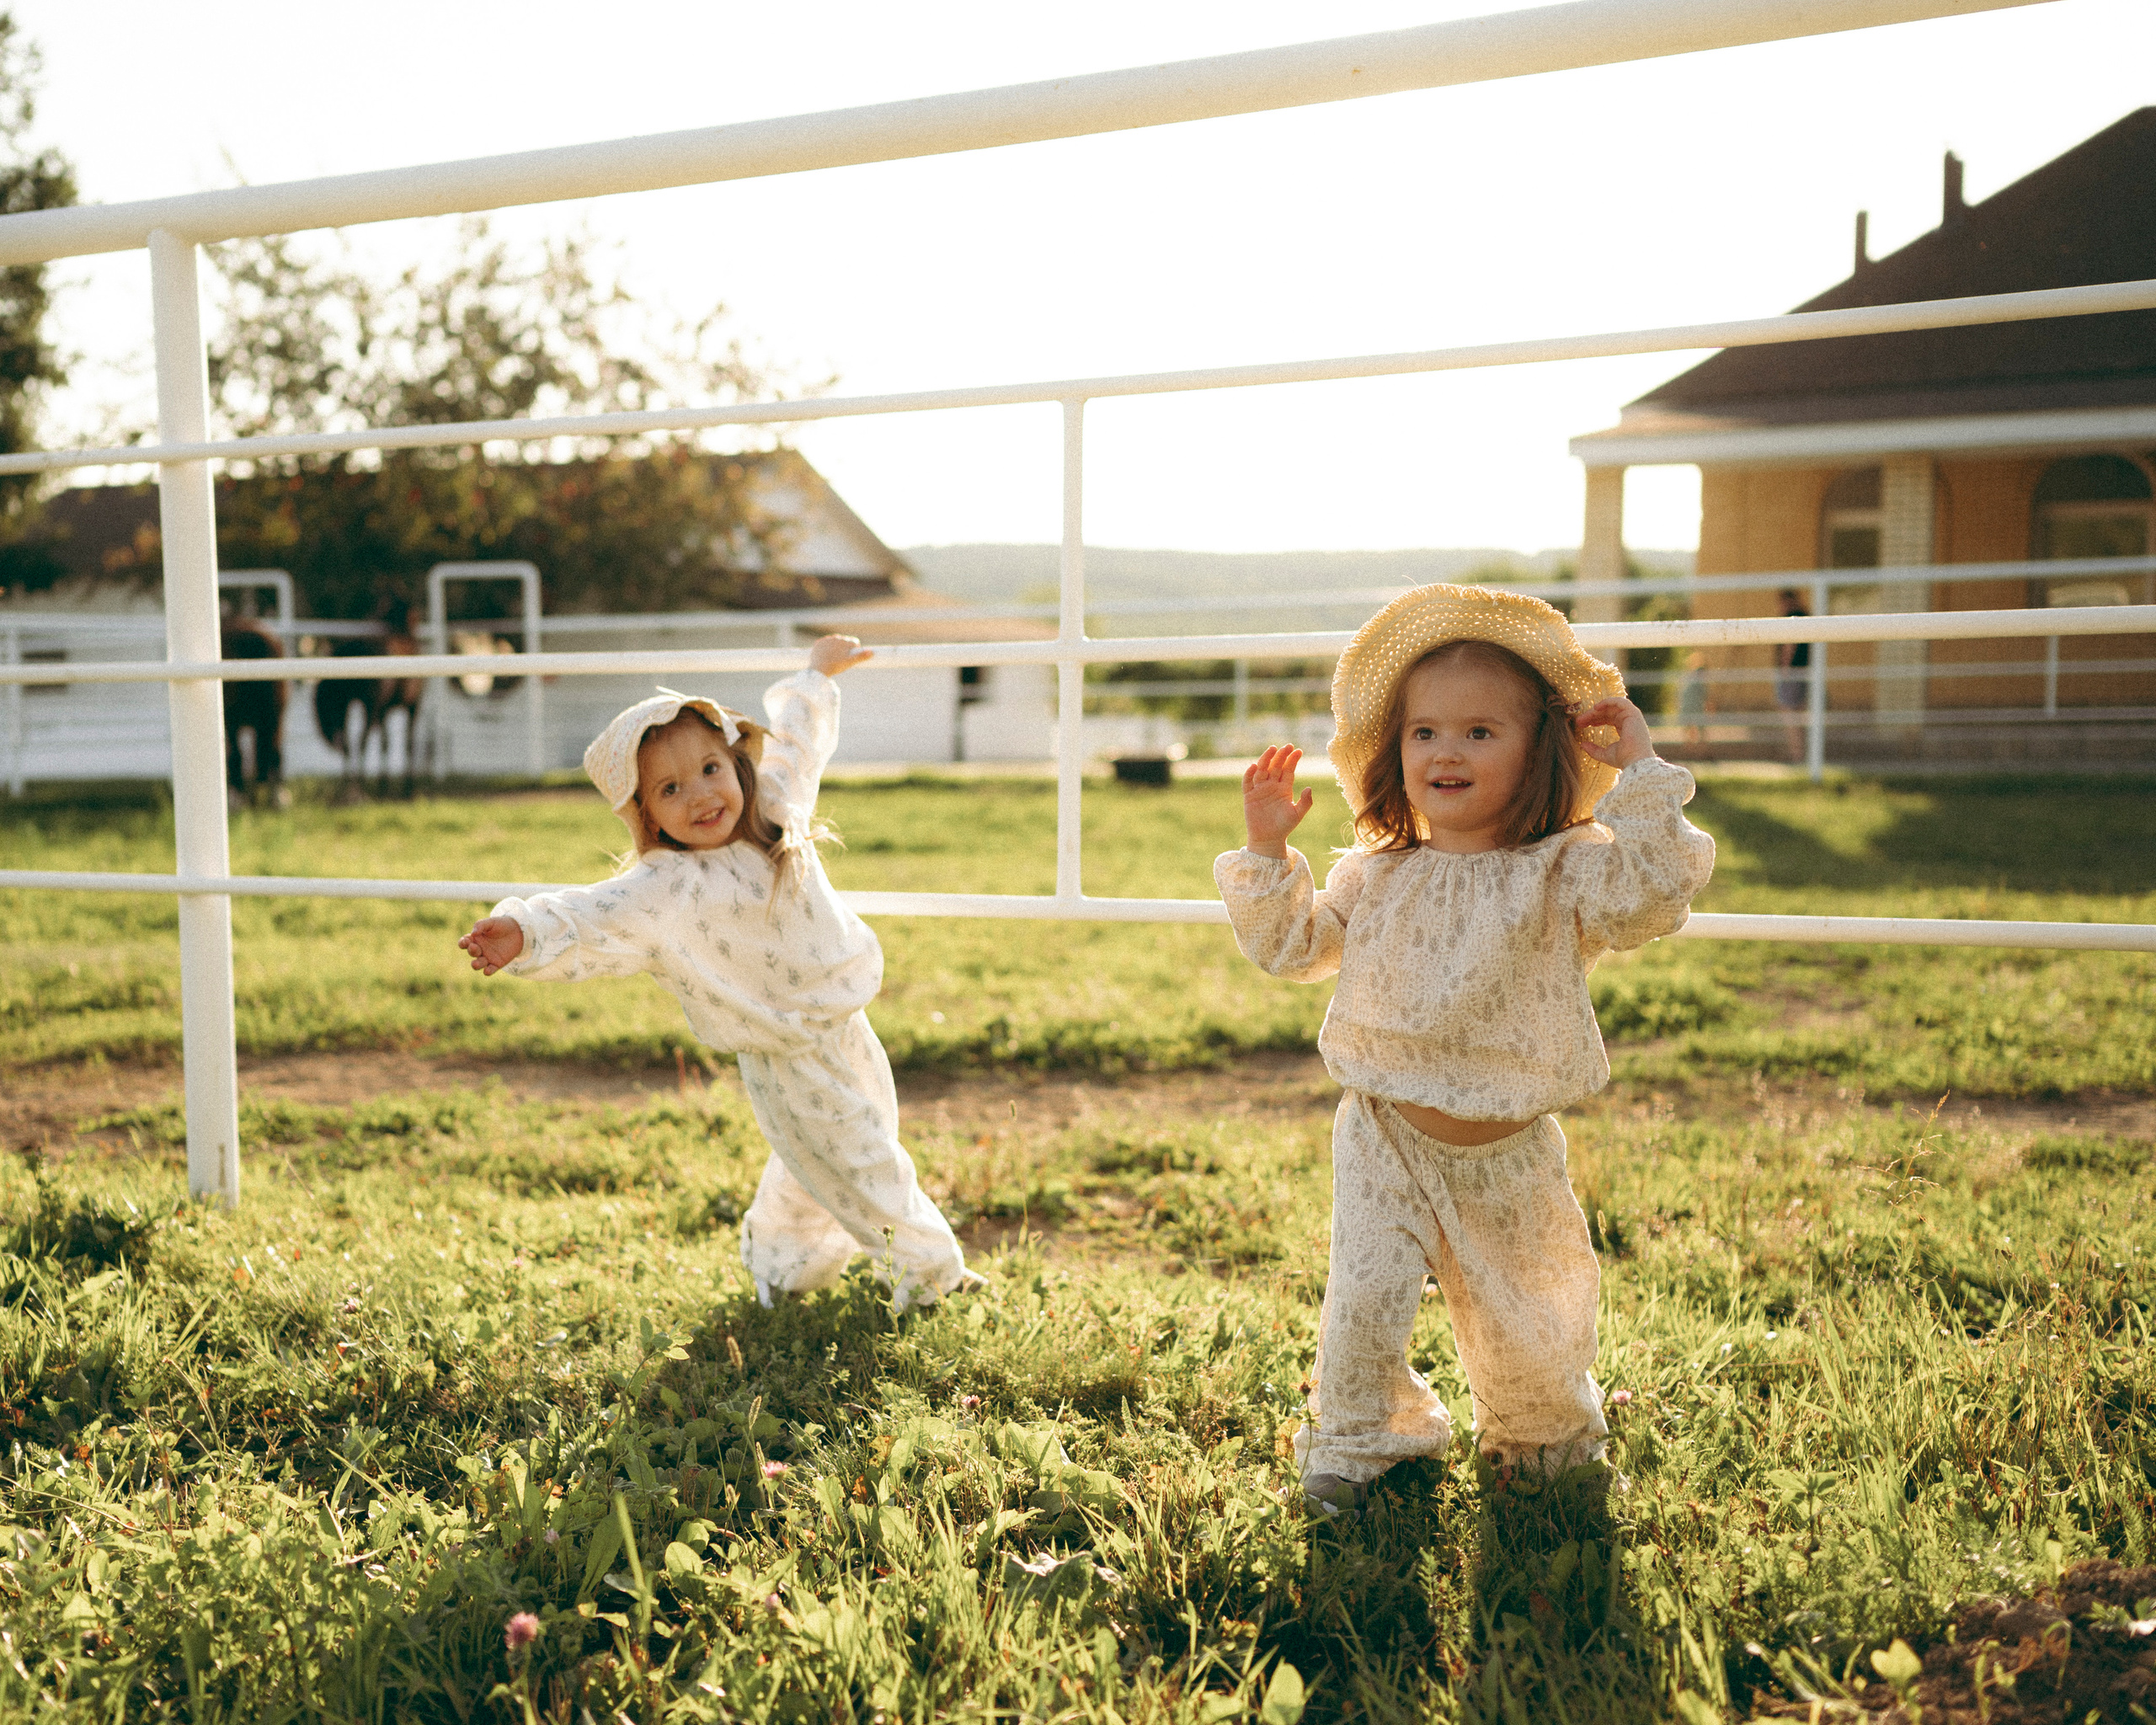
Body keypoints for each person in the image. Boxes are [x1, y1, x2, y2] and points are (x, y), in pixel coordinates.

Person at [1214, 585, 1715, 1517]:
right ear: (1395, 752)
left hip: (1507, 1154)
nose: (1447, 751)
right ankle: (1358, 1443)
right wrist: (1269, 854)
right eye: (1425, 733)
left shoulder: (1565, 870)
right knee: (1362, 1305)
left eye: (1480, 731)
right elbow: (1292, 949)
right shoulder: (1376, 874)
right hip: (1383, 1136)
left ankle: (1542, 1444)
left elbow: (1653, 895)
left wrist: (1641, 768)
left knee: (1530, 1325)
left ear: (1539, 751)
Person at [456, 634, 976, 1313]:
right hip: (785, 1055)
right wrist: (523, 931)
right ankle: (934, 1280)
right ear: (645, 813)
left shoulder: (777, 811)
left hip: (847, 1029)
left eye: (709, 769)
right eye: (669, 789)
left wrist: (817, 675)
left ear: (736, 762)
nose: (700, 796)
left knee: (824, 1153)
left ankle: (783, 1267)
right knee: (862, 1160)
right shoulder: (666, 887)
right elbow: (590, 915)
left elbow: (797, 742)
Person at [1773, 587, 1813, 764]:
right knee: (1799, 714)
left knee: (1789, 713)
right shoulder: (1806, 616)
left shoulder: (1792, 617)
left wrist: (1784, 669)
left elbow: (1789, 646)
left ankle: (1797, 754)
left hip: (1791, 673)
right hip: (1803, 671)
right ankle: (1801, 753)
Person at [1676, 649, 1711, 748]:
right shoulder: (1699, 679)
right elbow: (1704, 695)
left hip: (1687, 705)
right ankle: (1700, 748)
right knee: (1699, 727)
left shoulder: (1686, 677)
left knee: (1689, 727)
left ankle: (1690, 747)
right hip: (1694, 705)